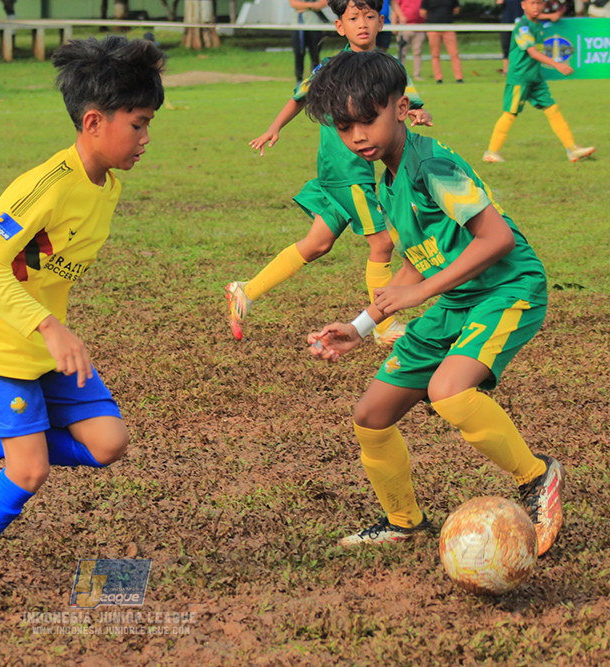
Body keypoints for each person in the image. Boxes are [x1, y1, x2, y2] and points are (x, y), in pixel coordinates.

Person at [0, 36, 165, 606]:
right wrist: (50, 326)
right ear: (94, 121)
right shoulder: (45, 186)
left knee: (109, 443)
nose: (146, 138)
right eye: (138, 124)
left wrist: (50, 330)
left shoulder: (107, 184)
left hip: (41, 341)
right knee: (29, 469)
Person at [303, 49, 564, 554]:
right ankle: (404, 522)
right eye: (344, 127)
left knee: (449, 391)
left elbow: (496, 239)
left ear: (400, 108)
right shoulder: (391, 174)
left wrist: (419, 293)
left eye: (367, 120)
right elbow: (423, 256)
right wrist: (361, 326)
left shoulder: (433, 164)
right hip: (455, 296)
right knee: (371, 416)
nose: (357, 136)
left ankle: (538, 478)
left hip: (506, 288)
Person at [229, 0, 432, 344]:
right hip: (346, 171)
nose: (362, 24)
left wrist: (416, 113)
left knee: (317, 244)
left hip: (349, 172)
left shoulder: (388, 66)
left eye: (369, 17)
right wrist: (274, 128)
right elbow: (299, 97)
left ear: (381, 22)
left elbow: (406, 98)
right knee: (382, 243)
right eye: (354, 18)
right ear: (341, 27)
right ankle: (382, 326)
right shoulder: (331, 67)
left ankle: (245, 290)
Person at [484, 0, 595, 162]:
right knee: (510, 113)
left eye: (539, 3)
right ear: (523, 5)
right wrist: (557, 64)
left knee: (553, 109)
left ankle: (572, 149)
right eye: (532, 3)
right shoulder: (523, 27)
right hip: (520, 78)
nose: (536, 7)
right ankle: (491, 152)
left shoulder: (538, 24)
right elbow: (533, 52)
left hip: (535, 77)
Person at [420, 0, 463, 83]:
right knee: (435, 54)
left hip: (448, 28)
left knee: (454, 53)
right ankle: (438, 78)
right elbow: (422, 13)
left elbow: (456, 10)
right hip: (433, 29)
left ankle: (459, 77)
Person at [290, 0, 328, 84]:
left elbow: (322, 4)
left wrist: (304, 6)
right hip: (298, 26)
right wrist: (311, 5)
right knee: (299, 53)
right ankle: (299, 80)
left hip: (315, 26)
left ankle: (316, 79)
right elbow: (293, 3)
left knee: (315, 55)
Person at [395, 0, 425, 80]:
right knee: (402, 52)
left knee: (418, 52)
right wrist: (394, 25)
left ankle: (417, 74)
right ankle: (401, 74)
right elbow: (395, 7)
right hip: (404, 26)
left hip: (419, 27)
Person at [496, 0, 525, 76]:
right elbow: (499, 4)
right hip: (506, 21)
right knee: (506, 46)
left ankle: (521, 69)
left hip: (522, 21)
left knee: (522, 46)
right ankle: (506, 70)